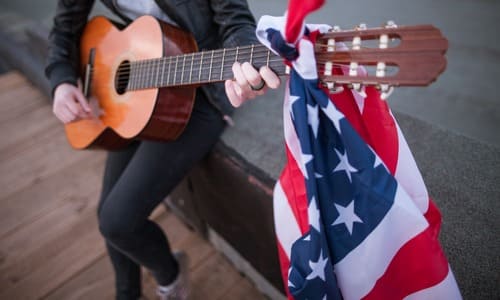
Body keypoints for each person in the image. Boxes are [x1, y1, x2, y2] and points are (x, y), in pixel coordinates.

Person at [45, 1, 280, 299]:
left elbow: (236, 22)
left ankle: (171, 276)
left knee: (116, 221)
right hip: (135, 85)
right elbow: (64, 30)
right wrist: (61, 81)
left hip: (200, 92)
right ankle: (126, 293)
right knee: (110, 218)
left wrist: (246, 64)